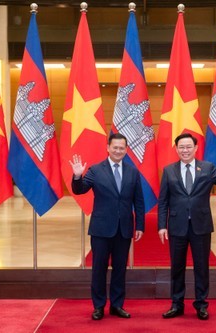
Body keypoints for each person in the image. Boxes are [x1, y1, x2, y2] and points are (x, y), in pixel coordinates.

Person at [158, 132, 216, 320]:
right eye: (181, 147)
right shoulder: (168, 170)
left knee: (202, 267)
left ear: (196, 149)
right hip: (176, 226)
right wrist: (161, 226)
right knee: (177, 267)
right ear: (176, 149)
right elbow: (163, 200)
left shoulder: (207, 168)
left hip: (201, 226)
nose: (185, 150)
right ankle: (176, 304)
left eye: (189, 147)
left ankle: (201, 305)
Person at [70, 133, 145, 320]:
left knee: (120, 268)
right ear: (108, 148)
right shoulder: (96, 170)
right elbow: (79, 190)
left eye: (122, 148)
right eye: (115, 147)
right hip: (101, 229)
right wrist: (77, 176)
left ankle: (117, 305)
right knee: (99, 268)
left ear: (126, 150)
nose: (118, 150)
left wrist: (140, 226)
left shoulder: (133, 171)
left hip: (124, 229)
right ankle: (99, 306)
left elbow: (139, 201)